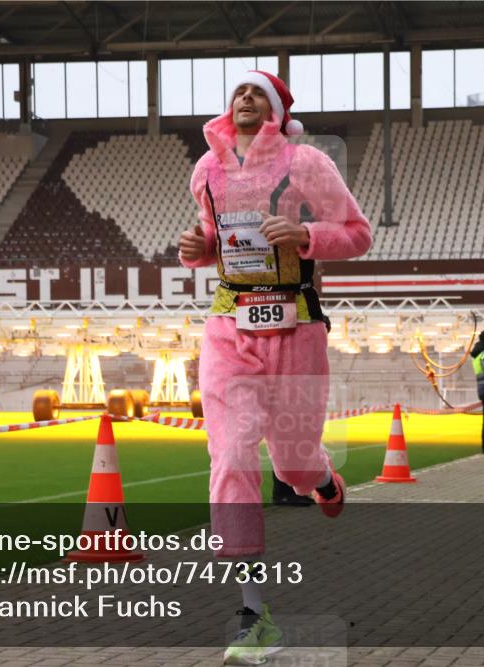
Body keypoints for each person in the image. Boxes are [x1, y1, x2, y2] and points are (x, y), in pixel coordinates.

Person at [178, 70, 371, 665]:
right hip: (228, 325)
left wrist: (306, 232)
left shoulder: (306, 161)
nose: (244, 98)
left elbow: (358, 234)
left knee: (291, 464)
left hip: (296, 326)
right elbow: (216, 238)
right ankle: (253, 614)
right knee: (231, 454)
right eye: (238, 91)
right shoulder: (205, 171)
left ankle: (323, 480)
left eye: (257, 92)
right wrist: (200, 249)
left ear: (278, 111)